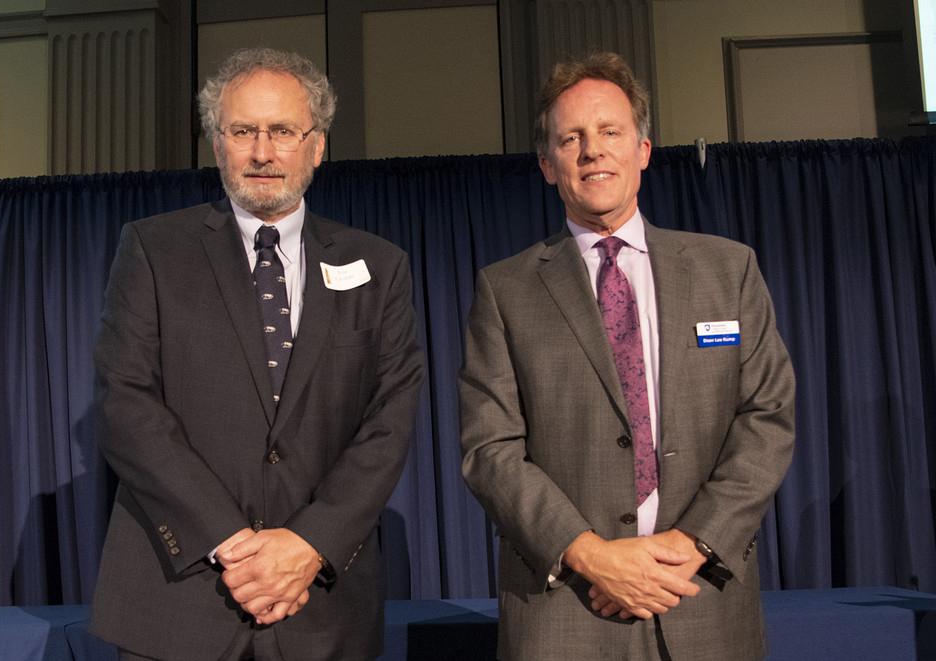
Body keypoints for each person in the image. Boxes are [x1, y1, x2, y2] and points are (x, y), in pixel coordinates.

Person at [459, 51, 795, 660]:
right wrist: (594, 556)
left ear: (642, 149)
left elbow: (766, 419)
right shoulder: (504, 290)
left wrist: (690, 547)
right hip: (566, 609)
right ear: (546, 164)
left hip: (699, 595)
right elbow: (491, 450)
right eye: (572, 138)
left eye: (610, 132)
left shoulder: (729, 270)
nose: (593, 151)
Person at [90, 48, 424, 661]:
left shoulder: (379, 266)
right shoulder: (153, 250)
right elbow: (124, 404)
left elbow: (391, 419)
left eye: (282, 132)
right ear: (218, 144)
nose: (262, 152)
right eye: (242, 131)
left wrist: (306, 544)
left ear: (317, 145)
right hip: (179, 600)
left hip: (321, 606)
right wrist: (231, 542)